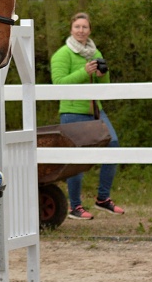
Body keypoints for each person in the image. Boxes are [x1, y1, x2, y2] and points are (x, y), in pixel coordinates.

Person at [50, 12, 125, 220]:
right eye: (77, 27)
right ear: (71, 30)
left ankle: (103, 198)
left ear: (89, 30)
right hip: (72, 112)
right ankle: (75, 206)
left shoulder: (95, 52)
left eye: (84, 27)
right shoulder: (62, 54)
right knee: (77, 161)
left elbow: (105, 87)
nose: (81, 30)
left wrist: (102, 74)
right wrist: (84, 71)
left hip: (95, 111)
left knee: (114, 146)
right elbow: (58, 85)